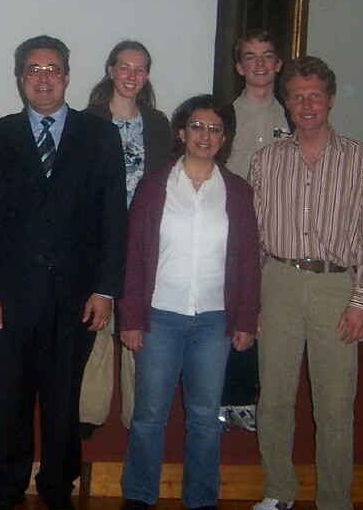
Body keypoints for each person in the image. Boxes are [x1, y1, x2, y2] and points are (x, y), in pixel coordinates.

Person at [0, 35, 127, 510]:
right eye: (34, 70)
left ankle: (58, 488)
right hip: (9, 299)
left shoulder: (100, 136)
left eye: (52, 69)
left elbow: (113, 219)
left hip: (76, 297)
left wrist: (106, 290)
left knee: (63, 400)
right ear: (20, 78)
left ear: (67, 77)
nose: (43, 78)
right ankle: (9, 486)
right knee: (10, 399)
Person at [250, 57, 363, 510]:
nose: (306, 105)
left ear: (330, 99)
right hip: (278, 283)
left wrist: (361, 300)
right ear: (286, 103)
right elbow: (253, 238)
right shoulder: (267, 161)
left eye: (315, 96)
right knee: (274, 398)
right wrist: (252, 300)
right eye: (297, 97)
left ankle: (334, 500)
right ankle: (278, 492)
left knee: (334, 406)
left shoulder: (362, 160)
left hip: (336, 288)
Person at [118, 95, 261, 510]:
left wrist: (245, 320)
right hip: (159, 316)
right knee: (149, 414)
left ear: (224, 138)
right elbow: (134, 256)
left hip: (214, 321)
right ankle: (139, 495)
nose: (205, 135)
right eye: (197, 126)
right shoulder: (154, 186)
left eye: (214, 129)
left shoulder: (237, 192)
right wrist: (131, 317)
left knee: (204, 417)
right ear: (181, 132)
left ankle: (201, 499)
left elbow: (248, 261)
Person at [79, 40, 172, 438]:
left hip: (145, 239)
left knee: (139, 327)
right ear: (111, 70)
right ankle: (89, 412)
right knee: (96, 324)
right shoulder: (87, 121)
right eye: (124, 67)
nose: (131, 76)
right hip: (98, 238)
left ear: (147, 75)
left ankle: (138, 413)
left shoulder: (158, 124)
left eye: (140, 69)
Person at [220, 30, 291, 433]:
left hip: (280, 236)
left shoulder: (295, 116)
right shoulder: (224, 118)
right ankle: (225, 396)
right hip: (233, 231)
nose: (260, 64)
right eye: (251, 56)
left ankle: (251, 397)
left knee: (267, 318)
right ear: (239, 66)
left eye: (267, 56)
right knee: (232, 313)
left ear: (278, 64)